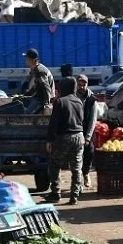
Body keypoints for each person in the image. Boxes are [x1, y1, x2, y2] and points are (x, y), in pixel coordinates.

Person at [45, 77, 85, 205]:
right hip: (79, 137)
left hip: (64, 137)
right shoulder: (79, 101)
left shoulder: (60, 102)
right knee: (76, 167)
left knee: (54, 164)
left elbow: (54, 123)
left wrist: (50, 140)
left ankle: (56, 193)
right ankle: (74, 195)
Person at [76, 74, 98, 188]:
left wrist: (88, 137)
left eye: (84, 84)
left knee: (89, 151)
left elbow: (93, 119)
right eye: (79, 84)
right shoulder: (73, 98)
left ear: (87, 85)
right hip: (75, 130)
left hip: (87, 129)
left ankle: (86, 173)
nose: (81, 87)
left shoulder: (92, 99)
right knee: (75, 155)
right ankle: (77, 177)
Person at [23, 49, 54, 114]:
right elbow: (36, 86)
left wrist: (46, 104)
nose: (26, 60)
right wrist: (26, 95)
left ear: (33, 60)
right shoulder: (35, 69)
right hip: (38, 96)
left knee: (27, 113)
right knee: (21, 103)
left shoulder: (39, 71)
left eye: (28, 58)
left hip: (41, 99)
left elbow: (46, 88)